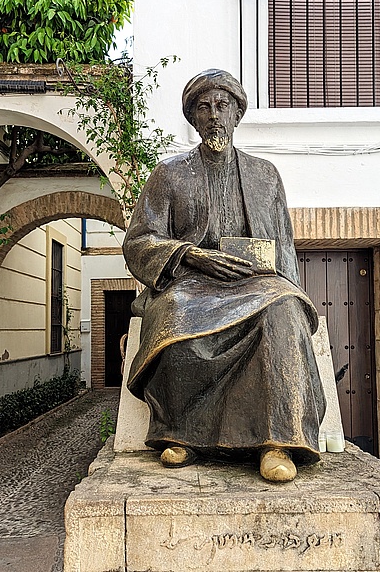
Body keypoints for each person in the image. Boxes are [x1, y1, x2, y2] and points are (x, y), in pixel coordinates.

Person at [122, 69, 325, 482]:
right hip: (189, 281)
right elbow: (139, 241)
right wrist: (194, 257)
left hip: (255, 282)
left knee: (281, 310)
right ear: (193, 119)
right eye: (203, 107)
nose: (214, 115)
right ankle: (180, 433)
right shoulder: (169, 174)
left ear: (236, 113)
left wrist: (295, 296)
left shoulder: (265, 175)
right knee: (175, 313)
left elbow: (283, 245)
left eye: (222, 105)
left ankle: (277, 441)